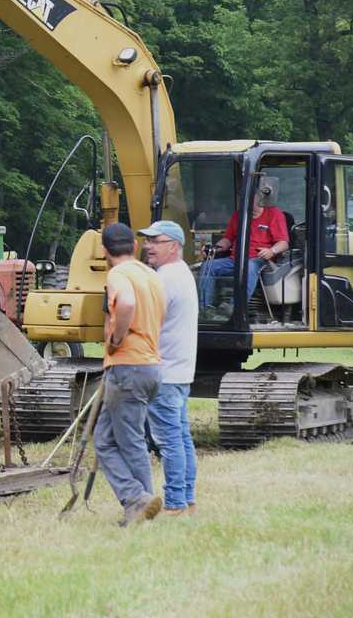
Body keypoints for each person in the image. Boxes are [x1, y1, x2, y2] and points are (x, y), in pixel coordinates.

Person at [95, 222, 166, 526]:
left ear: (104, 251)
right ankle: (138, 500)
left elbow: (125, 303)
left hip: (128, 365)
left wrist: (116, 338)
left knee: (131, 440)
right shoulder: (150, 275)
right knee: (104, 439)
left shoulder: (118, 275)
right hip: (149, 365)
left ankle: (140, 501)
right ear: (134, 247)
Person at [139, 219, 200, 517]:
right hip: (180, 370)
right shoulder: (182, 272)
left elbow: (147, 320)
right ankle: (187, 499)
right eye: (147, 240)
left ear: (173, 246)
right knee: (181, 436)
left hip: (164, 371)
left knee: (168, 440)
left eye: (155, 241)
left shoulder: (165, 278)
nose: (148, 246)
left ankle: (175, 503)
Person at [199, 182, 288, 310]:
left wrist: (271, 251)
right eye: (242, 197)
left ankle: (234, 308)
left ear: (260, 197)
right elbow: (227, 240)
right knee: (208, 266)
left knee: (249, 266)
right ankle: (203, 309)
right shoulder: (238, 215)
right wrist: (214, 248)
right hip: (235, 259)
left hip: (259, 259)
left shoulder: (274, 214)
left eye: (249, 196)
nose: (244, 200)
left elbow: (284, 243)